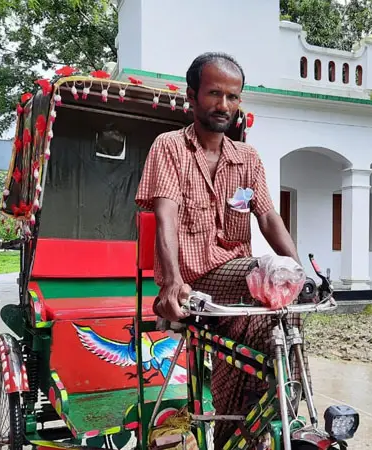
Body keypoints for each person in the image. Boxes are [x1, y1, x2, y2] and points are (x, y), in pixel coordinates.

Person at [135, 52, 309, 449]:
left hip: (241, 290)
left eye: (233, 97)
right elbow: (165, 220)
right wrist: (172, 283)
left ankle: (268, 423)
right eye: (214, 94)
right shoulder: (170, 148)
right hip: (195, 282)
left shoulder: (246, 158)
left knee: (279, 332)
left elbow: (268, 218)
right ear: (192, 96)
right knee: (264, 275)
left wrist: (300, 273)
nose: (224, 106)